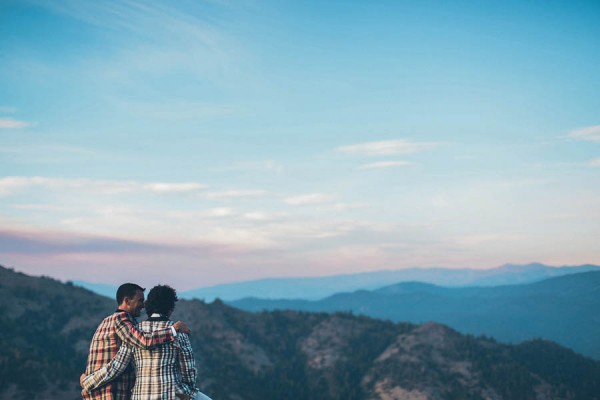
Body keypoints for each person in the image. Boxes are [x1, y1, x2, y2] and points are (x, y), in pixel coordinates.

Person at [81, 285, 211, 400]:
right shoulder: (178, 332)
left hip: (139, 396)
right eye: (140, 301)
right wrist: (187, 390)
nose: (142, 305)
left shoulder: (135, 331)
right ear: (170, 309)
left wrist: (88, 381)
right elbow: (188, 371)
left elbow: (117, 366)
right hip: (172, 394)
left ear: (149, 307)